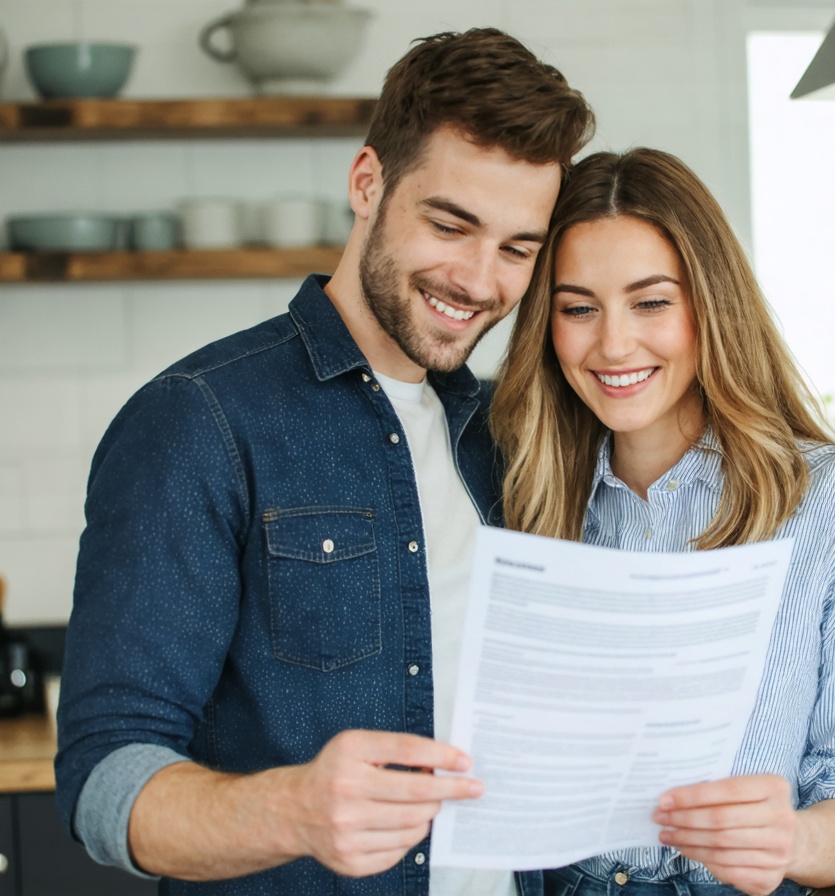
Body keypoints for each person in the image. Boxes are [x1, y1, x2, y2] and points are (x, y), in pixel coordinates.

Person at [55, 28, 593, 896]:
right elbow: (101, 781)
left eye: (517, 248)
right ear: (367, 182)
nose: (478, 278)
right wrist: (293, 812)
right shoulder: (199, 420)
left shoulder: (508, 433)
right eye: (449, 225)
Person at [490, 148, 835, 896]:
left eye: (652, 302)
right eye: (578, 307)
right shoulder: (516, 499)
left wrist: (794, 837)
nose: (613, 344)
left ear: (710, 306)